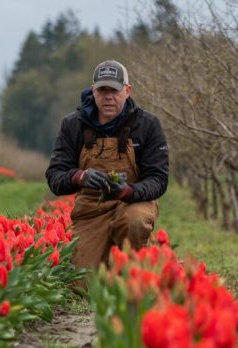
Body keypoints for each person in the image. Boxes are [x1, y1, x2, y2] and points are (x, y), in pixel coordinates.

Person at [45, 60, 169, 273]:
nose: (108, 96)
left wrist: (128, 191)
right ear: (93, 91)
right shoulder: (73, 124)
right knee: (82, 284)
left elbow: (158, 179)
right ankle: (115, 264)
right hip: (92, 207)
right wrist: (79, 177)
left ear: (127, 91)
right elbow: (55, 176)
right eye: (103, 90)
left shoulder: (147, 125)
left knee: (135, 221)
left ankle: (137, 270)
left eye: (115, 90)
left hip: (134, 202)